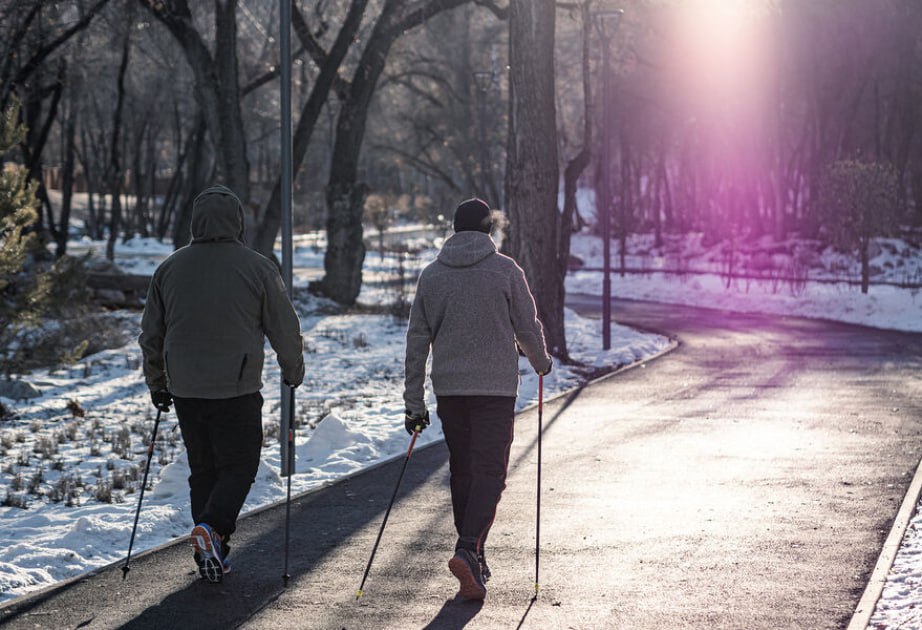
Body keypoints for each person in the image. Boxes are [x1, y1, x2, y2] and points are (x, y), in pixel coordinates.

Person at [139, 185, 304, 584]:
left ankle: (212, 546)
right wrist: (292, 369)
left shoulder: (169, 269)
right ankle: (212, 529)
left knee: (204, 468)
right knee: (241, 464)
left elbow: (151, 333)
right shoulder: (258, 267)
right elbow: (284, 326)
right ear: (238, 222)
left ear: (196, 221)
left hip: (185, 388)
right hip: (237, 386)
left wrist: (157, 382)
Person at [403, 197, 552, 600]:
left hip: (450, 389)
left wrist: (413, 400)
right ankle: (468, 548)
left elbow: (417, 340)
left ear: (454, 229)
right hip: (495, 390)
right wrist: (540, 362)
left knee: (464, 471)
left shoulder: (432, 275)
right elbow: (527, 324)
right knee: (490, 472)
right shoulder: (506, 270)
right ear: (490, 230)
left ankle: (473, 554)